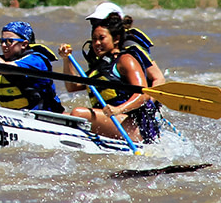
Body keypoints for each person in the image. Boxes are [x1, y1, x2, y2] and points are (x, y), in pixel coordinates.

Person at [58, 12, 160, 143]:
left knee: (78, 113)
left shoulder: (126, 60)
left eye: (101, 38)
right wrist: (66, 60)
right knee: (63, 116)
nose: (96, 43)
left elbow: (143, 94)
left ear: (116, 39)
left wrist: (118, 109)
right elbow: (72, 86)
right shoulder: (99, 66)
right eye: (94, 39)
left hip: (133, 126)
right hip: (111, 121)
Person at [0, 21, 65, 113]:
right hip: (14, 115)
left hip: (44, 115)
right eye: (2, 41)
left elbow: (5, 68)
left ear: (24, 44)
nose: (3, 45)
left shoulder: (36, 60)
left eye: (9, 41)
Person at [85, 2, 165, 89]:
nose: (96, 26)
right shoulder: (101, 50)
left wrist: (148, 101)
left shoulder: (131, 45)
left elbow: (158, 78)